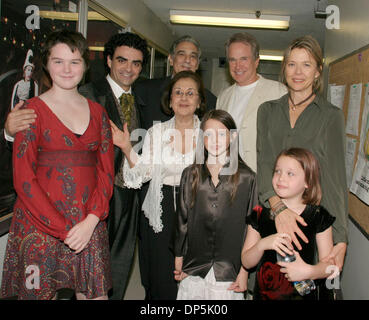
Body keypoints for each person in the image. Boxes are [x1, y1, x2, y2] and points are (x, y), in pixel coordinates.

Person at [0, 30, 114, 300]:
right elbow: (23, 180)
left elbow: (106, 173)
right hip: (38, 225)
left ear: (85, 66)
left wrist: (91, 220)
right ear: (47, 65)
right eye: (58, 61)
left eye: (74, 62)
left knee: (96, 296)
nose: (67, 69)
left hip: (88, 224)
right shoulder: (29, 111)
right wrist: (62, 229)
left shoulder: (99, 113)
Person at [110, 70, 206, 299]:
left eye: (190, 93)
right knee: (163, 276)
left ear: (199, 101)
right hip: (162, 211)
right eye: (178, 92)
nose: (183, 97)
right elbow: (143, 173)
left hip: (198, 211)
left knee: (193, 276)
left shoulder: (209, 133)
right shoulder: (157, 132)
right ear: (170, 101)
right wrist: (126, 148)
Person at [257, 35, 348, 275]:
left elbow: (336, 179)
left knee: (303, 284)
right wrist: (278, 209)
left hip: (309, 220)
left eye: (306, 65)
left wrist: (340, 239)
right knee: (268, 282)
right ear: (284, 68)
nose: (298, 72)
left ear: (318, 71)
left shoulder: (331, 116)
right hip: (270, 211)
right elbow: (264, 163)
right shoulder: (267, 111)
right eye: (291, 64)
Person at [79, 32, 149, 300]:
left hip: (129, 197)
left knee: (118, 267)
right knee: (89, 271)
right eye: (122, 60)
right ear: (108, 61)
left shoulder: (142, 100)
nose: (128, 69)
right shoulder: (88, 95)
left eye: (136, 63)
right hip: (95, 197)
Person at [173, 109, 257, 300]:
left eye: (221, 134)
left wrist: (244, 271)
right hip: (194, 265)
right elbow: (181, 221)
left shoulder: (246, 177)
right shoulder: (191, 174)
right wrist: (179, 259)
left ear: (232, 137)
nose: (215, 140)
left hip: (229, 269)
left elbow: (252, 227)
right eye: (209, 134)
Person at [242, 148, 336, 300]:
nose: (281, 178)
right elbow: (246, 262)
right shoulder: (260, 214)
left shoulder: (318, 216)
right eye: (277, 171)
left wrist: (309, 271)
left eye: (290, 173)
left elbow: (331, 268)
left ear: (307, 181)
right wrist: (263, 244)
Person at [216, 32, 287, 172]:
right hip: (229, 176)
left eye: (243, 59)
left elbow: (286, 140)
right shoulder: (223, 97)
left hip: (263, 178)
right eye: (232, 60)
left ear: (256, 61)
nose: (237, 66)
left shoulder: (278, 92)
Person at [134, 35, 217, 130]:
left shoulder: (210, 100)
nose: (187, 60)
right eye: (181, 54)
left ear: (197, 64)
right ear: (171, 59)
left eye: (193, 56)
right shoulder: (145, 90)